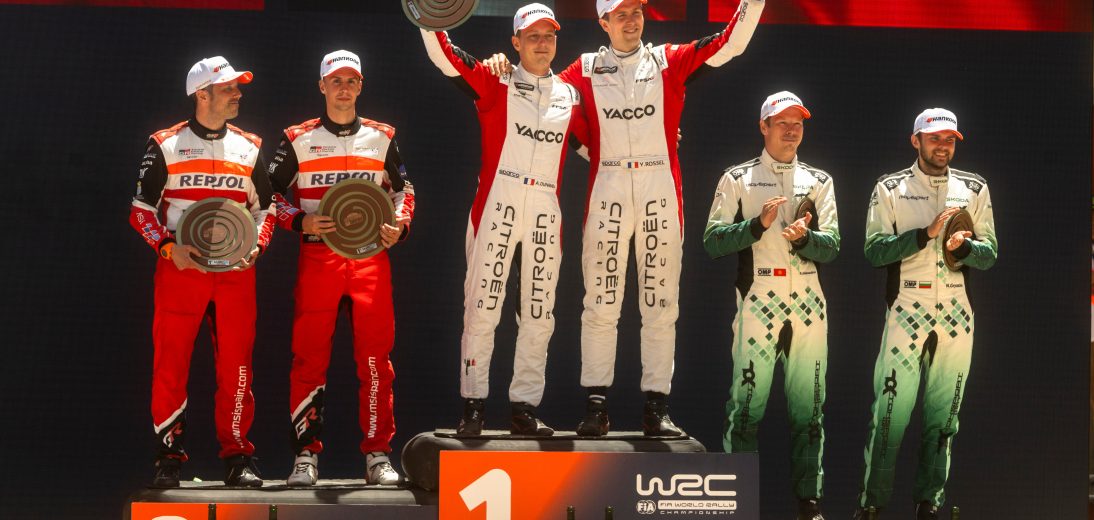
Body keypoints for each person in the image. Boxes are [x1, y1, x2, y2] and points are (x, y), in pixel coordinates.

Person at [486, 0, 765, 436]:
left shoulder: (666, 59)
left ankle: (657, 408)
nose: (632, 21)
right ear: (604, 22)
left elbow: (731, 44)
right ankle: (595, 408)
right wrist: (501, 66)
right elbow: (541, 102)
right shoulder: (583, 69)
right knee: (600, 303)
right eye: (621, 14)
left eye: (636, 11)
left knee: (661, 303)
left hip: (659, 188)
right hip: (609, 187)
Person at [420, 3, 588, 436]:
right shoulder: (497, 80)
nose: (542, 43)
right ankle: (473, 406)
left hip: (545, 208)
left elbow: (593, 147)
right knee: (482, 307)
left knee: (540, 314)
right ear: (515, 42)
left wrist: (660, 141)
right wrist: (428, 14)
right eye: (532, 36)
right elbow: (444, 56)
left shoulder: (570, 95)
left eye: (548, 36)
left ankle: (524, 409)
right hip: (499, 201)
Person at [266, 50, 415, 486]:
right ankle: (305, 457)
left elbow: (404, 190)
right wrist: (300, 220)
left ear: (361, 86)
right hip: (319, 258)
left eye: (351, 81)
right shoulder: (297, 138)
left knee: (376, 360)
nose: (344, 88)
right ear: (322, 86)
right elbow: (267, 196)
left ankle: (378, 455)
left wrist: (400, 225)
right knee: (309, 358)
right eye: (336, 81)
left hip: (370, 259)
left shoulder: (382, 137)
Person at [129, 56, 275, 488]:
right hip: (181, 268)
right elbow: (140, 211)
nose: (238, 94)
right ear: (202, 94)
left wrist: (257, 246)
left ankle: (238, 456)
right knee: (170, 363)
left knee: (238, 365)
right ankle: (169, 457)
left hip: (235, 271)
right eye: (228, 88)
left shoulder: (250, 146)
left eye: (237, 87)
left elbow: (265, 209)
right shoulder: (165, 144)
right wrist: (167, 247)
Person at [852, 108, 997, 520]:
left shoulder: (974, 188)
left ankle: (929, 506)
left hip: (957, 314)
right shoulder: (890, 187)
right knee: (889, 417)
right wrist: (925, 235)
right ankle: (872, 506)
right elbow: (874, 250)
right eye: (934, 139)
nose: (943, 146)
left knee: (945, 420)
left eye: (949, 140)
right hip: (907, 310)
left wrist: (964, 247)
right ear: (915, 140)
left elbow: (989, 254)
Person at [703, 92, 838, 520]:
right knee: (745, 409)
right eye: (782, 122)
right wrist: (757, 225)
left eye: (798, 123)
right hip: (759, 300)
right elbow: (712, 241)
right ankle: (737, 504)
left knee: (810, 411)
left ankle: (810, 505)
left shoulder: (820, 180)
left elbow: (832, 247)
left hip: (809, 305)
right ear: (763, 127)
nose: (791, 130)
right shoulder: (737, 179)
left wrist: (805, 239)